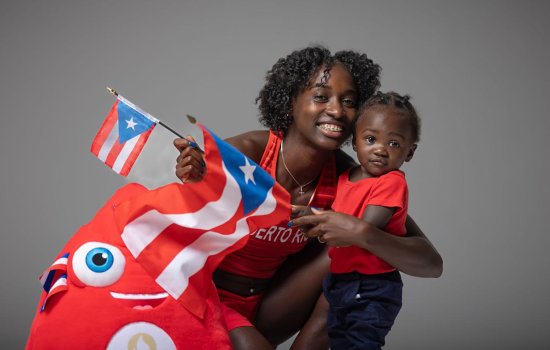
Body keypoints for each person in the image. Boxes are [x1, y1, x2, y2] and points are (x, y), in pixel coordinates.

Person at [174, 46, 442, 350]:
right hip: (209, 302)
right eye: (321, 96)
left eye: (349, 101)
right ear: (291, 101)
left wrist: (361, 232)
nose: (337, 110)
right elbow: (171, 218)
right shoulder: (250, 152)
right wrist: (192, 172)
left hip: (270, 309)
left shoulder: (351, 178)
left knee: (353, 254)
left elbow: (431, 264)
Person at [293, 91, 421, 349]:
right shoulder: (344, 178)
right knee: (340, 340)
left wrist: (320, 220)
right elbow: (336, 221)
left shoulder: (392, 182)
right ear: (355, 142)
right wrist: (307, 215)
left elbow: (364, 227)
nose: (381, 150)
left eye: (394, 144)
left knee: (361, 344)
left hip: (373, 287)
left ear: (410, 152)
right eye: (371, 139)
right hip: (340, 281)